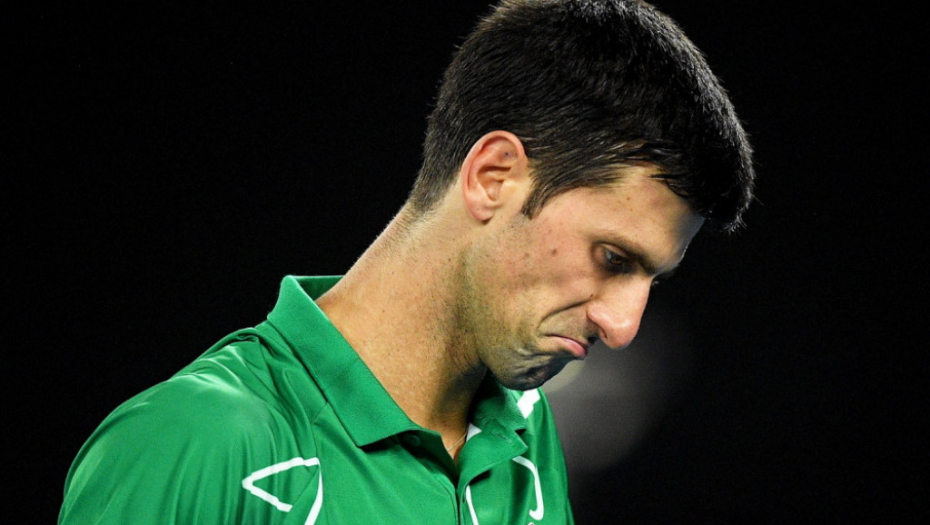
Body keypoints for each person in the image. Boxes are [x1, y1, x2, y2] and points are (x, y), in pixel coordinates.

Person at [59, 0, 755, 523]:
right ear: (493, 176)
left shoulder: (524, 445)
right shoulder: (194, 442)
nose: (624, 325)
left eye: (651, 279)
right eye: (612, 257)